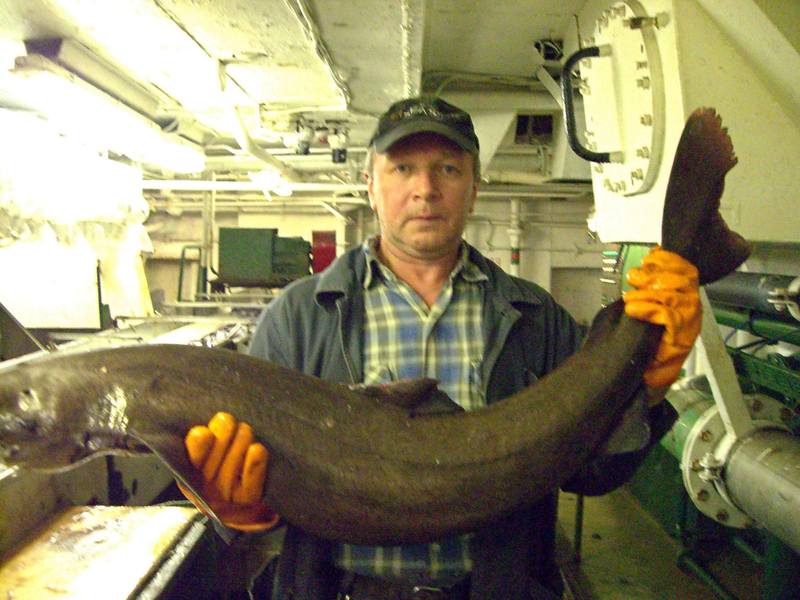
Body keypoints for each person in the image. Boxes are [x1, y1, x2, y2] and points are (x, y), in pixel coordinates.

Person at [181, 96, 701, 599]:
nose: (425, 189)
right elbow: (262, 493)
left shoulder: (536, 318)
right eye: (402, 168)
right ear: (371, 186)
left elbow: (593, 472)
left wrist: (646, 391)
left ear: (474, 189)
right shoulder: (298, 317)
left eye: (448, 169)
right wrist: (236, 505)